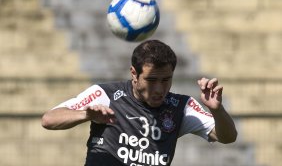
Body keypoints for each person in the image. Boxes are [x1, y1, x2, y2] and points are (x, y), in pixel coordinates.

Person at [41, 39, 237, 166]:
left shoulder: (180, 106)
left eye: (166, 80)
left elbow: (227, 137)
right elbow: (49, 119)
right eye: (151, 80)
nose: (159, 89)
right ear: (134, 73)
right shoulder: (106, 94)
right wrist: (86, 114)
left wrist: (217, 110)